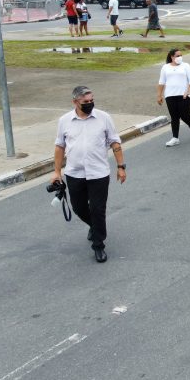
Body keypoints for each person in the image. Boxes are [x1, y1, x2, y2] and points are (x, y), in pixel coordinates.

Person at [52, 86, 126, 263]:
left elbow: (115, 142)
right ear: (75, 102)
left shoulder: (104, 118)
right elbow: (60, 146)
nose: (90, 104)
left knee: (97, 209)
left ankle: (98, 245)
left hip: (99, 172)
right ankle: (95, 226)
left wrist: (121, 166)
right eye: (85, 102)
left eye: (92, 100)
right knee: (78, 208)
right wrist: (56, 172)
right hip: (74, 173)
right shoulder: (64, 121)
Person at [156, 49, 190, 147]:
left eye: (181, 55)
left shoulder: (186, 66)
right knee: (174, 117)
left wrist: (188, 91)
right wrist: (159, 95)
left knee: (185, 115)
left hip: (184, 94)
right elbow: (161, 82)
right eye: (177, 56)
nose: (180, 57)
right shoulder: (165, 67)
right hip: (170, 95)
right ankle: (175, 138)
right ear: (171, 56)